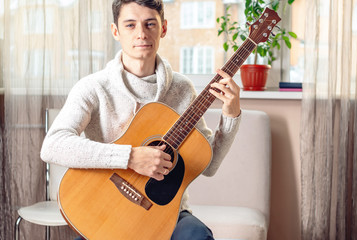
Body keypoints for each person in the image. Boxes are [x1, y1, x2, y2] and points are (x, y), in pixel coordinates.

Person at [40, 0, 242, 239]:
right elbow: (53, 145)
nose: (141, 33)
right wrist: (130, 157)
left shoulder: (182, 89)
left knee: (197, 235)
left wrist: (231, 115)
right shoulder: (93, 87)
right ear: (115, 31)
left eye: (149, 24)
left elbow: (208, 166)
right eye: (130, 25)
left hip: (165, 211)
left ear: (163, 28)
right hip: (106, 208)